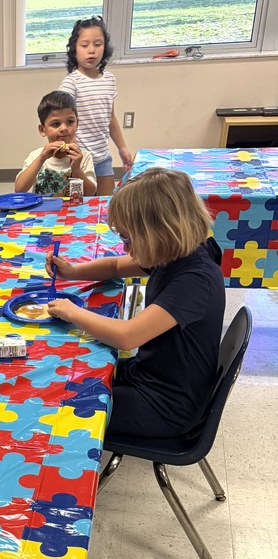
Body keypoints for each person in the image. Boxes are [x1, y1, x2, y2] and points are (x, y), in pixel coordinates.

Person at [45, 167, 225, 442]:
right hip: (151, 374)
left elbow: (127, 336)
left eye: (127, 238)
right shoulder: (173, 252)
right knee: (67, 370)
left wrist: (73, 312)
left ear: (161, 231)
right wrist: (72, 271)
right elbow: (117, 266)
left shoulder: (195, 280)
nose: (125, 247)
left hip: (167, 406)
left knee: (56, 408)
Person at [58, 15, 132, 196]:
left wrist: (122, 148)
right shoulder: (71, 83)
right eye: (84, 45)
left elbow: (110, 118)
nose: (91, 50)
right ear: (74, 48)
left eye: (97, 44)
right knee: (80, 205)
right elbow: (63, 124)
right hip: (80, 159)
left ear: (105, 48)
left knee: (107, 204)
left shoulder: (109, 79)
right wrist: (73, 154)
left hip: (102, 157)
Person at [15, 91, 97, 197]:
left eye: (70, 122)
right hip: (42, 212)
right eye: (56, 124)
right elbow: (19, 189)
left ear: (77, 124)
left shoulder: (83, 157)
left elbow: (90, 193)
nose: (64, 128)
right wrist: (40, 159)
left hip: (73, 212)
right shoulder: (36, 156)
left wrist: (76, 169)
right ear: (42, 130)